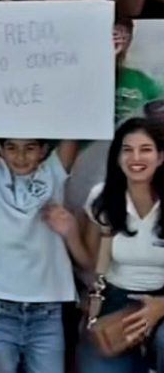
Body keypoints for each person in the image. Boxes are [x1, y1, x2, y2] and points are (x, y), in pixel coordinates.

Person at [43, 117, 164, 373]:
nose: (135, 158)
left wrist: (159, 307)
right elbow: (89, 261)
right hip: (115, 302)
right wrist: (70, 232)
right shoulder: (103, 197)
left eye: (145, 150)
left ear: (161, 157)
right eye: (127, 150)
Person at [0, 135, 91, 373]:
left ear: (43, 150)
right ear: (0, 149)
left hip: (46, 310)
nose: (20, 156)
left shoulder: (52, 173)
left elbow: (74, 127)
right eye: (11, 148)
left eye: (29, 148)